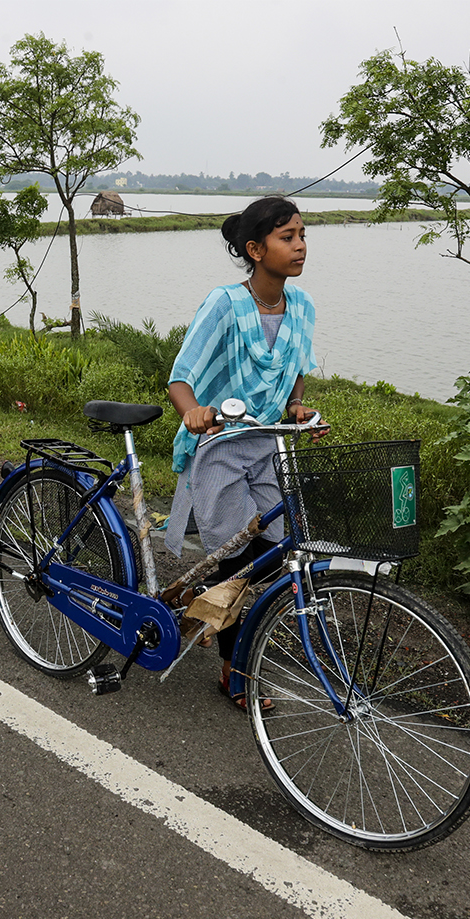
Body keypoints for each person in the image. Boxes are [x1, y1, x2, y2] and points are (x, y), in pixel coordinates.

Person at [165, 196, 323, 710]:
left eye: (301, 235)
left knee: (276, 553)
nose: (299, 246)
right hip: (221, 445)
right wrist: (193, 411)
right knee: (238, 557)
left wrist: (297, 407)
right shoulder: (224, 303)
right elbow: (181, 377)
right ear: (255, 250)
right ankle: (233, 668)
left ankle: (191, 596)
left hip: (270, 442)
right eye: (287, 237)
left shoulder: (301, 306)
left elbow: (295, 367)